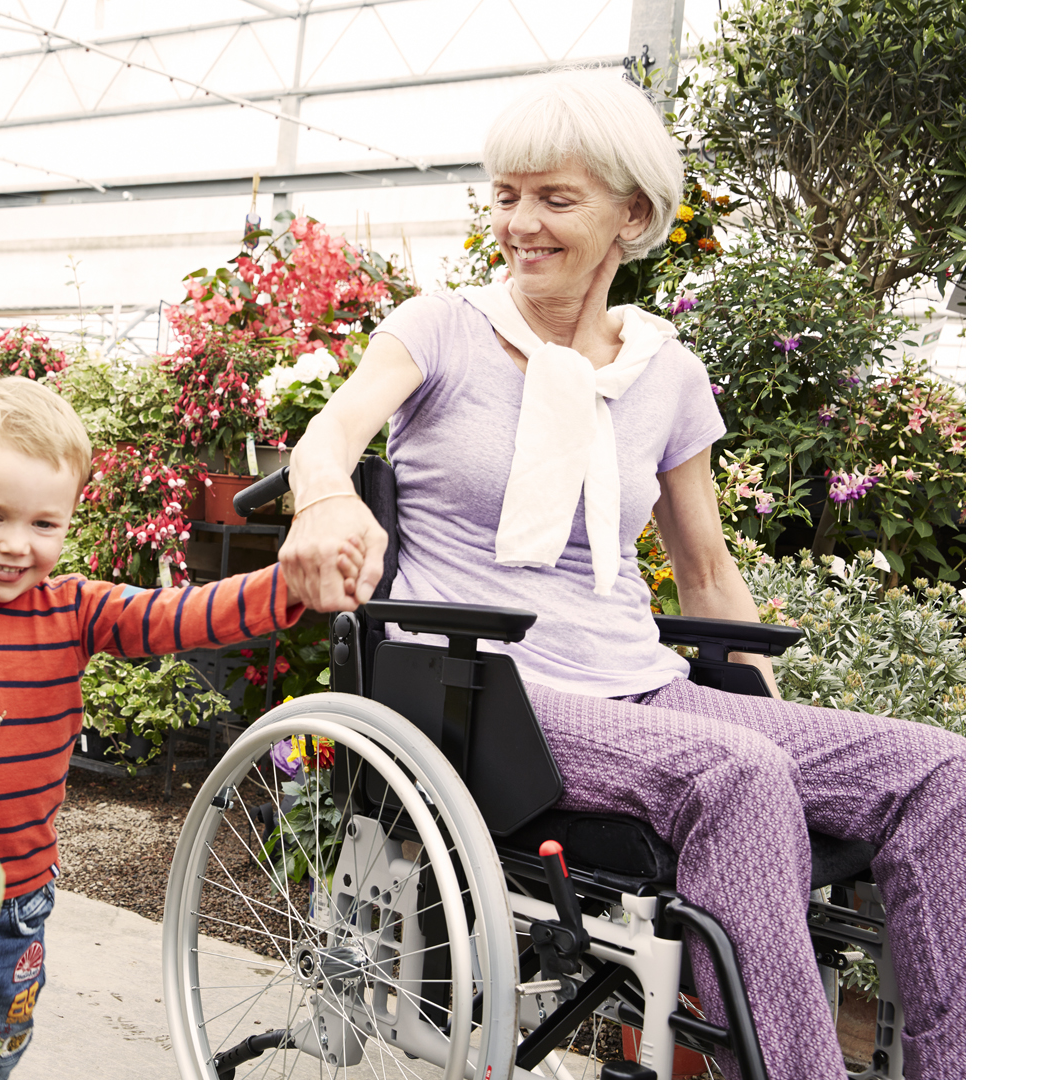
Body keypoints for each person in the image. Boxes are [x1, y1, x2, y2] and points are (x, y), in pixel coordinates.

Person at [276, 73, 965, 1079]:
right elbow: (326, 441)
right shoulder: (442, 328)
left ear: (630, 215)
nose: (520, 222)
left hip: (639, 684)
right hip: (484, 690)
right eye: (508, 195)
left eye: (555, 199)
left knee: (937, 770)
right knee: (739, 778)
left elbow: (707, 568)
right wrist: (327, 501)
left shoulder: (667, 372)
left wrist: (771, 723)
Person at [0, 376, 355, 1080]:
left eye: (43, 525)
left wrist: (288, 587)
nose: (15, 546)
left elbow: (180, 615)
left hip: (9, 905)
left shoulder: (74, 611)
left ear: (68, 520)